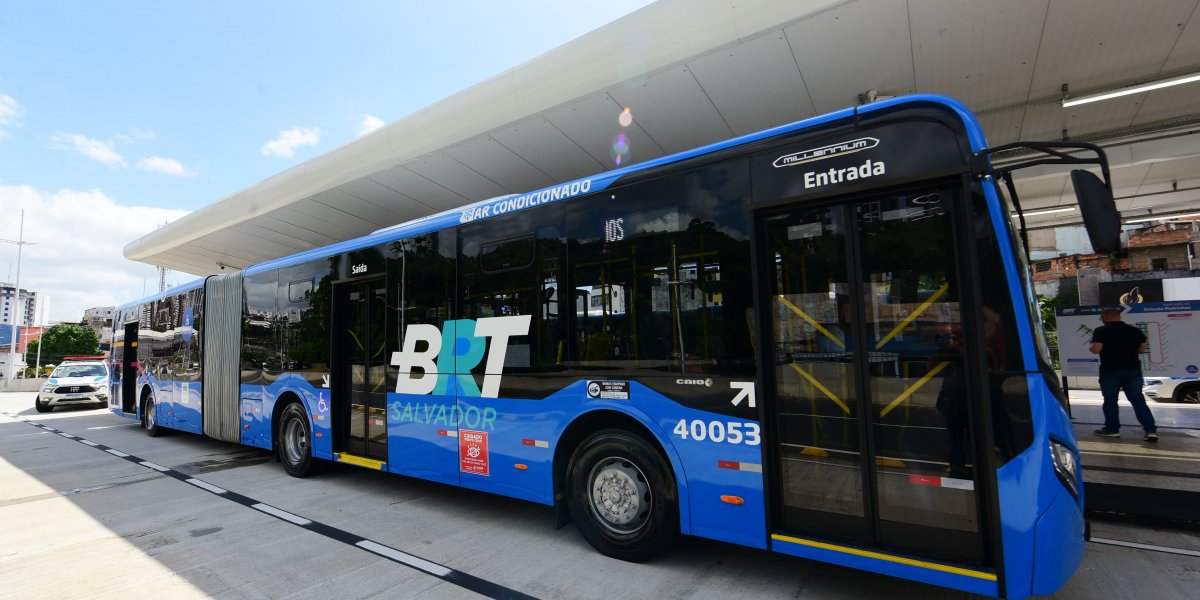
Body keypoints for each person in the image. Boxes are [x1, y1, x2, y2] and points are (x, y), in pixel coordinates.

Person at [1090, 307, 1157, 442]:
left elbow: (1096, 349)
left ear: (1106, 316)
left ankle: (1112, 430)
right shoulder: (1135, 331)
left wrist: (1091, 346)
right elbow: (1141, 350)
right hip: (1133, 370)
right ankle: (1150, 431)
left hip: (1110, 371)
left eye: (1102, 317)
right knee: (1138, 400)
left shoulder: (1101, 330)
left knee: (1110, 400)